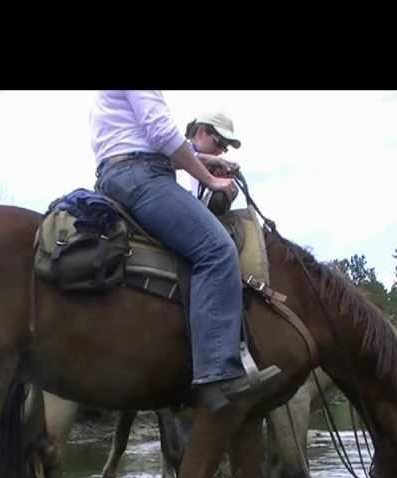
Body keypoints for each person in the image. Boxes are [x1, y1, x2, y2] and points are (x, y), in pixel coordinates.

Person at [90, 91, 280, 411]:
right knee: (217, 250)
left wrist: (209, 160)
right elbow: (159, 131)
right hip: (141, 175)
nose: (220, 147)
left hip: (123, 170)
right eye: (218, 142)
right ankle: (216, 373)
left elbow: (148, 140)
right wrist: (209, 179)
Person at [177, 111, 241, 213]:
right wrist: (214, 162)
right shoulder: (174, 147)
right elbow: (181, 155)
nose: (220, 152)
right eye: (219, 143)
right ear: (201, 132)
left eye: (224, 148)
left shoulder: (205, 169)